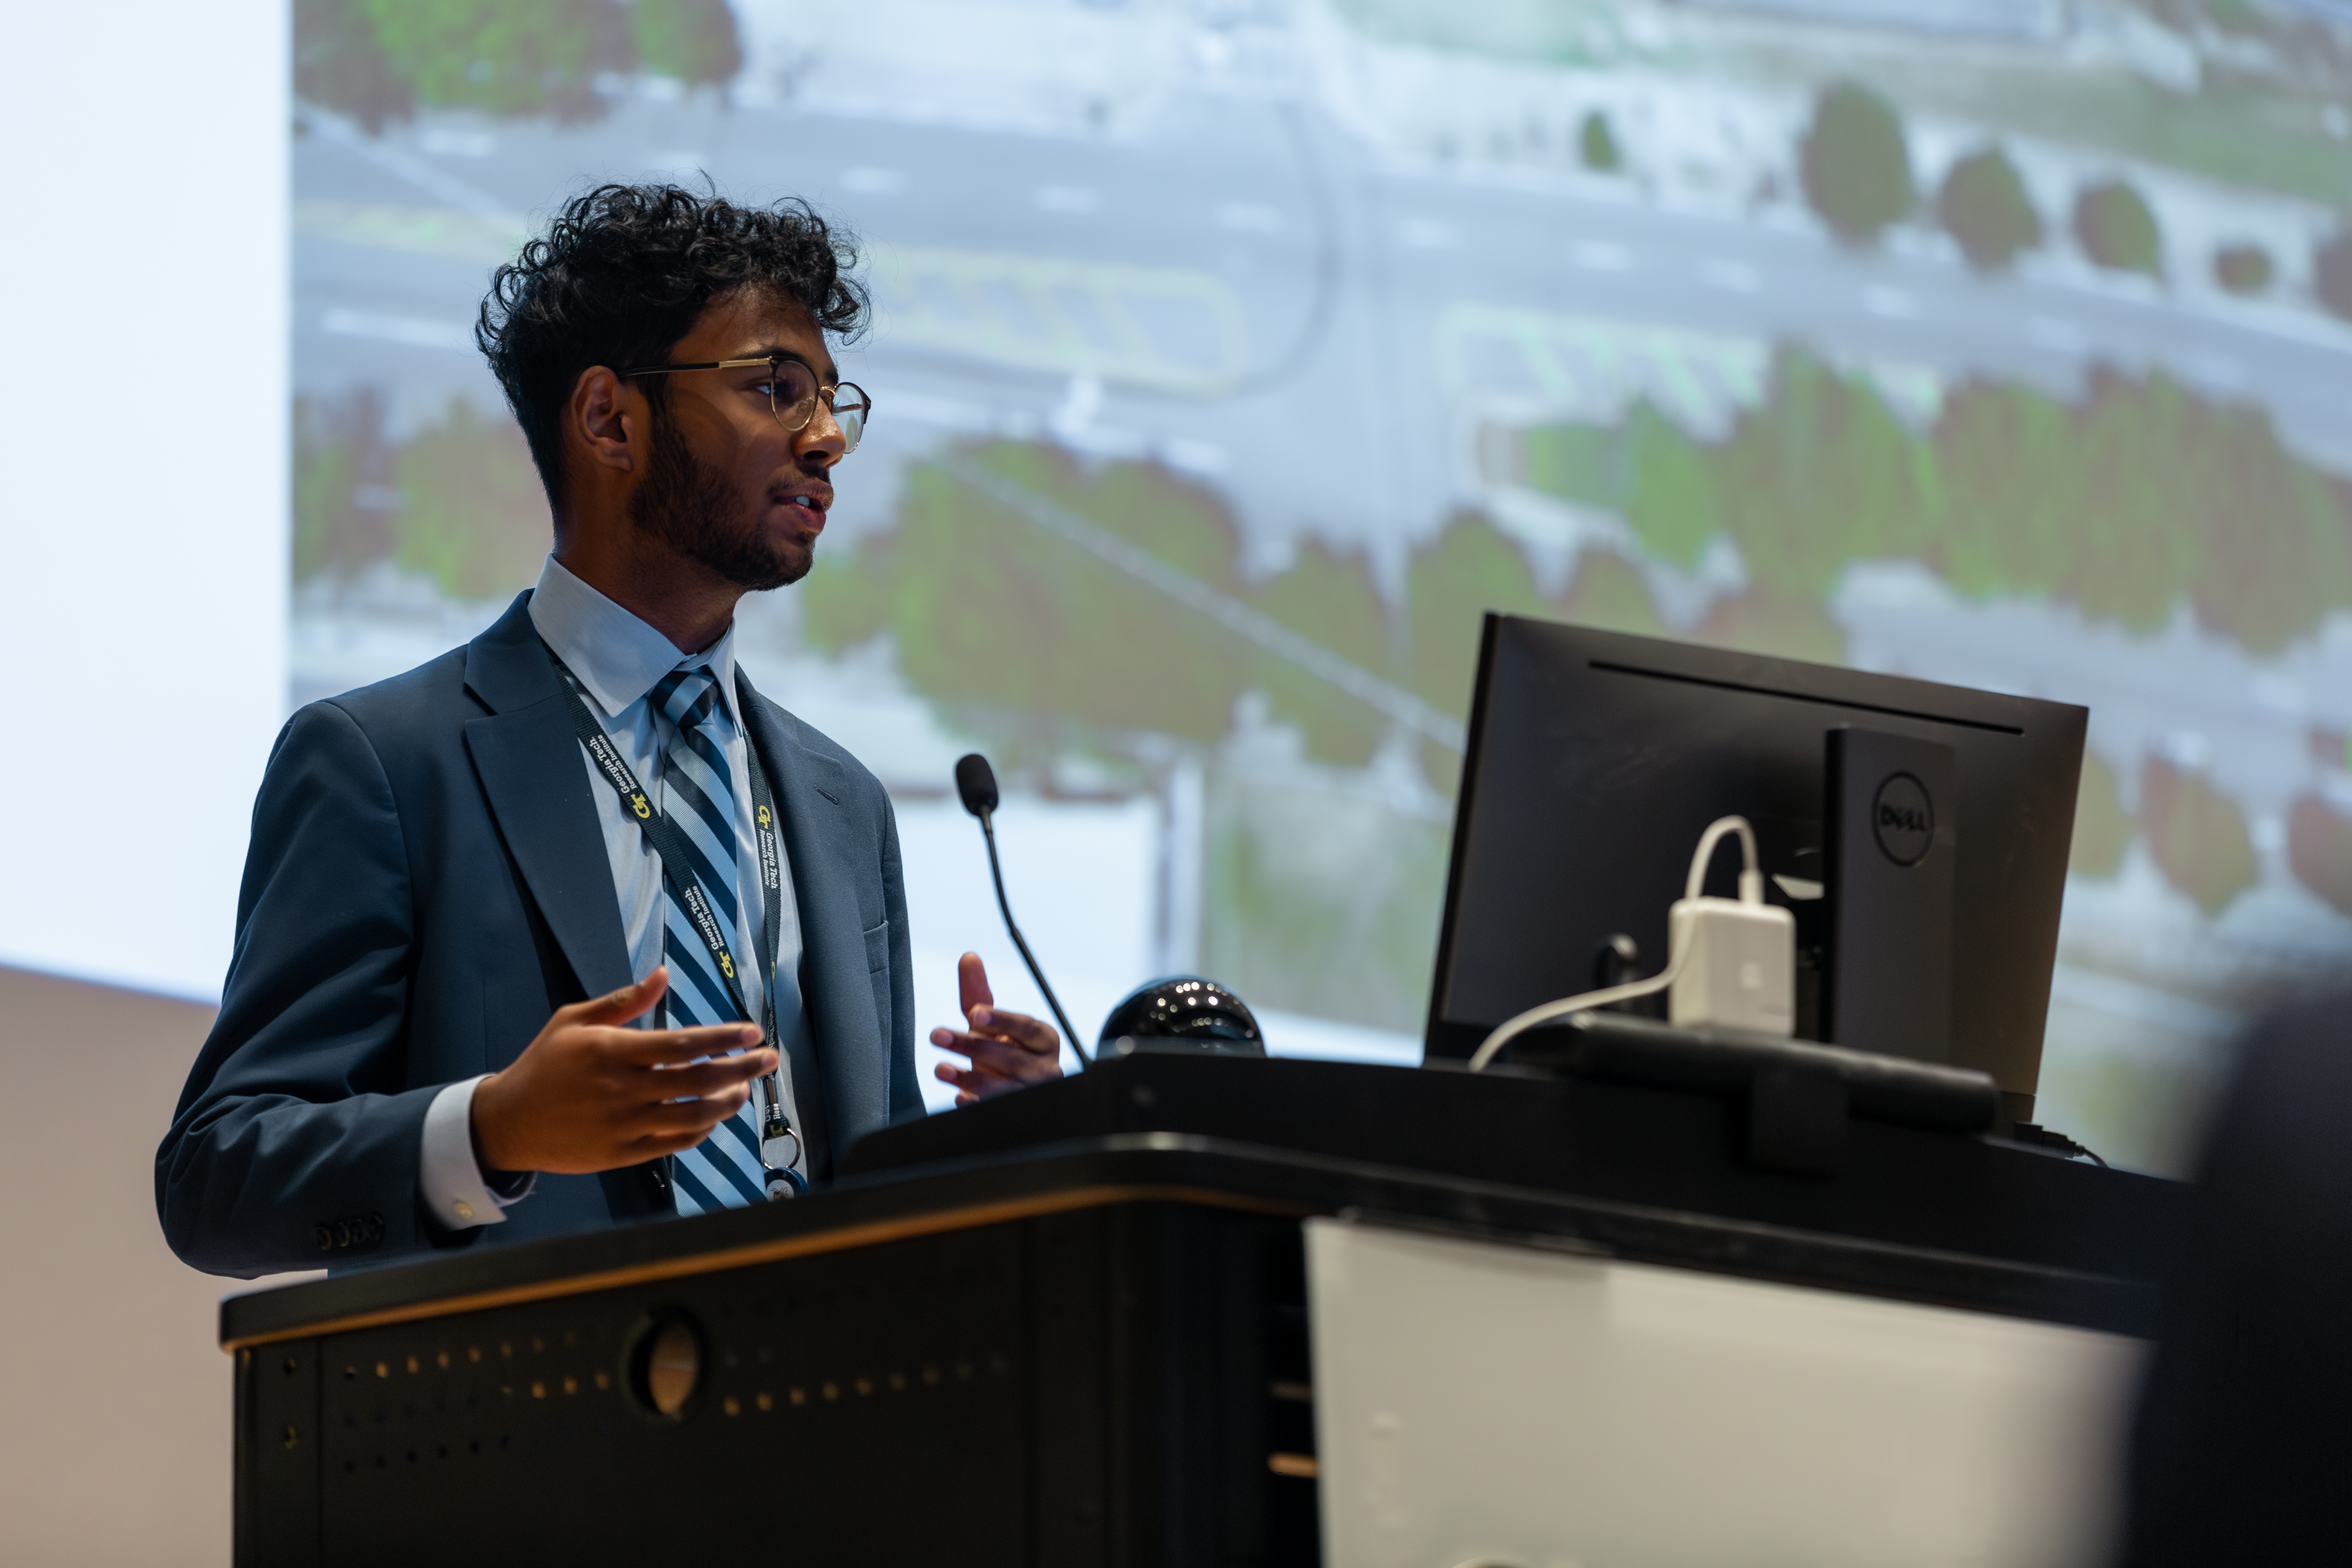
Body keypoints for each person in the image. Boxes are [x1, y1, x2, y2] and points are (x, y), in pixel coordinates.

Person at [158, 185, 1063, 1278]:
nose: (826, 440)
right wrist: (491, 1131)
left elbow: (863, 1189)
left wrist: (1013, 1136)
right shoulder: (388, 763)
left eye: (831, 401)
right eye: (776, 389)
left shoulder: (843, 803)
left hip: (817, 1427)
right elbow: (219, 1177)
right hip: (526, 1433)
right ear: (609, 420)